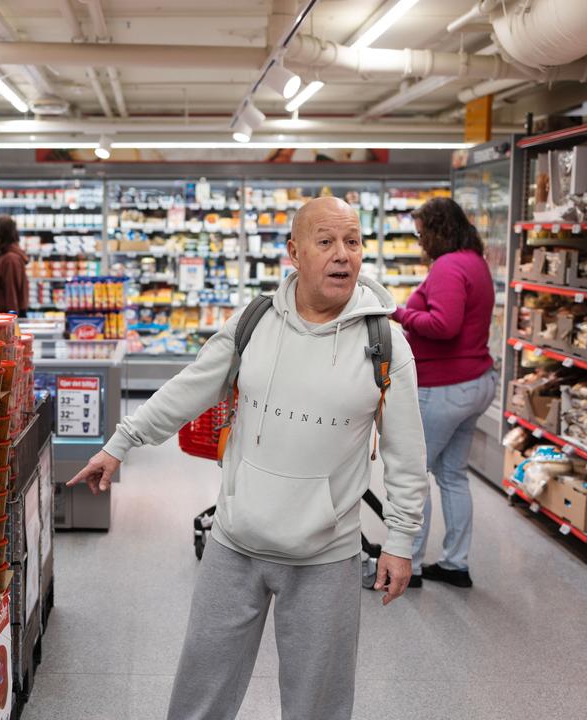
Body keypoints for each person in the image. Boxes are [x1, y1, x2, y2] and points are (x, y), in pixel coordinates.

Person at [68, 197, 428, 720]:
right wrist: (120, 442)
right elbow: (191, 388)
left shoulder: (387, 343)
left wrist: (399, 540)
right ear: (293, 252)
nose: (342, 255)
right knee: (200, 696)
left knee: (317, 705)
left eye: (352, 242)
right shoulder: (254, 321)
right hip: (234, 544)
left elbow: (406, 452)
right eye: (325, 241)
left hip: (326, 558)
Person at [392, 196, 497, 589]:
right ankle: (455, 563)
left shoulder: (450, 266)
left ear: (438, 231)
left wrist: (398, 314)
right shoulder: (474, 261)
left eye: (422, 235)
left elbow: (444, 325)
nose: (420, 244)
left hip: (444, 389)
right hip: (475, 381)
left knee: (413, 473)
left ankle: (410, 565)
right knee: (452, 475)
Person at [0, 215, 29, 314]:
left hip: (9, 316)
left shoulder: (10, 259)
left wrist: (12, 319)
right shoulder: (7, 255)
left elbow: (11, 293)